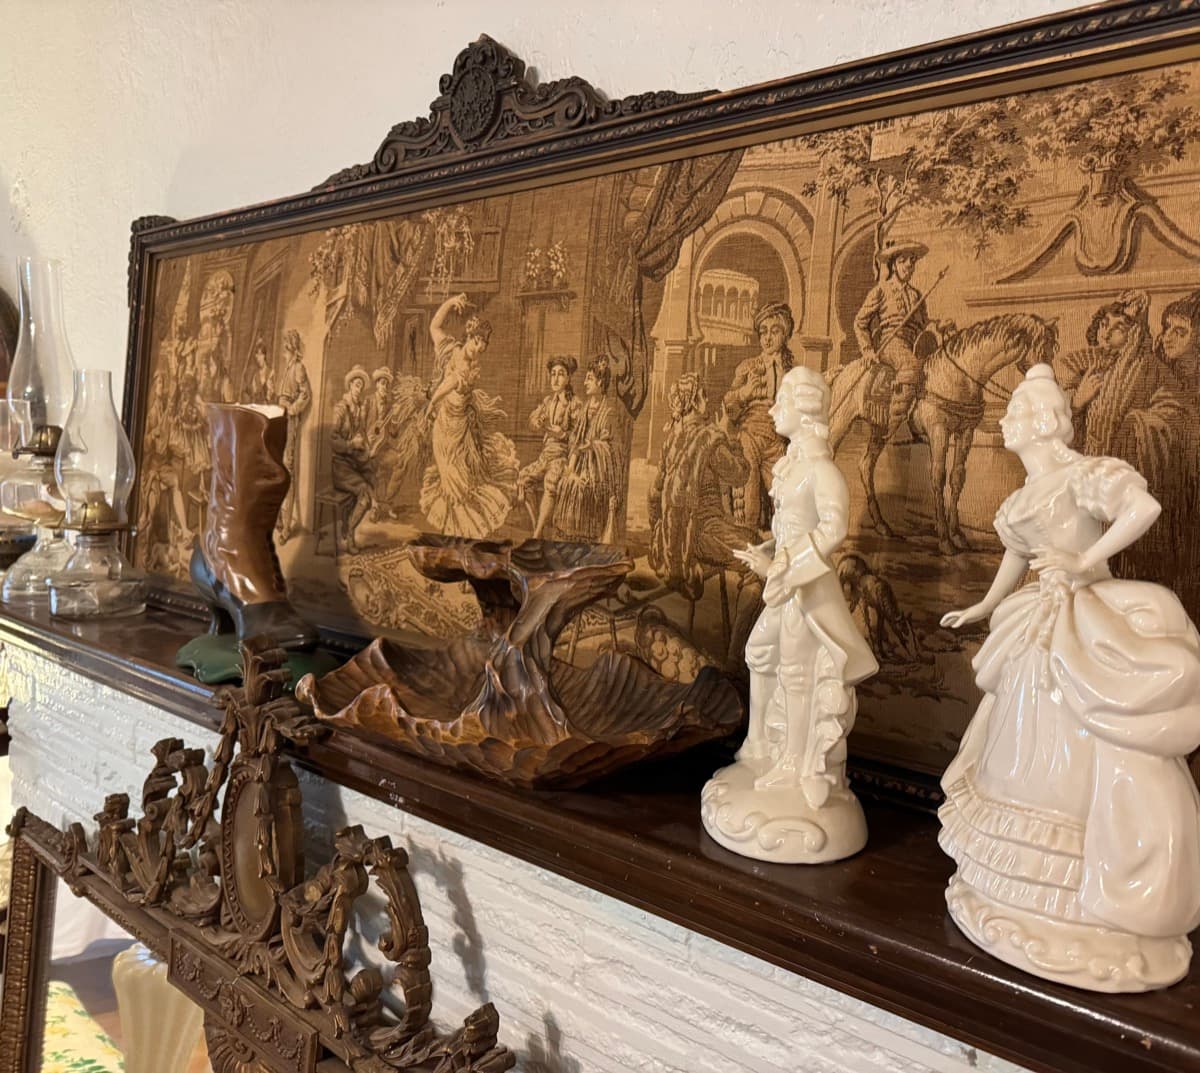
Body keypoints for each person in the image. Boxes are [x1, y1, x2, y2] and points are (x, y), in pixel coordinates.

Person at [939, 364, 1200, 990]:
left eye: (1012, 413)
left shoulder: (1084, 475)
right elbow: (1015, 558)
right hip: (1036, 618)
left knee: (1086, 739)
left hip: (1085, 616)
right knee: (1019, 746)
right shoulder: (1020, 499)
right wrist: (980, 607)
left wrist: (1085, 560)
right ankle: (1022, 886)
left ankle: (1093, 891)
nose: (1001, 421)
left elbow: (1144, 507)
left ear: (1040, 420)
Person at [733, 366, 878, 781]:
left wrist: (781, 567)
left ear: (806, 409)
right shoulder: (794, 467)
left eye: (783, 401)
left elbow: (833, 529)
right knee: (760, 651)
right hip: (787, 582)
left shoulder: (822, 472)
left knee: (796, 671)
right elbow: (791, 526)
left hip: (807, 588)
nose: (774, 409)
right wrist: (768, 549)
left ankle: (795, 760)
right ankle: (759, 743)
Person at [419, 293, 518, 538]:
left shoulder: (465, 364)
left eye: (483, 347)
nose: (479, 350)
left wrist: (432, 403)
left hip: (460, 428)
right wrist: (450, 302)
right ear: (469, 337)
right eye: (477, 343)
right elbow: (434, 326)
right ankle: (456, 536)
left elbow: (449, 382)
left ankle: (461, 535)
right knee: (452, 482)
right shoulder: (452, 351)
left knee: (464, 481)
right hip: (445, 428)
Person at [648, 372, 753, 601]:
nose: (707, 401)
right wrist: (732, 435)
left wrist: (660, 531)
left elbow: (654, 494)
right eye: (703, 396)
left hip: (666, 542)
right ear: (694, 401)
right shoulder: (710, 439)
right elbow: (740, 475)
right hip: (702, 536)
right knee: (761, 553)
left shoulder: (671, 440)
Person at [852, 239, 944, 438]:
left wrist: (939, 325)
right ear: (894, 264)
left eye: (912, 261)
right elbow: (860, 322)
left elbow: (924, 323)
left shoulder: (916, 295)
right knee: (911, 366)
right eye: (904, 261)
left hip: (914, 344)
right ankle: (895, 426)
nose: (909, 266)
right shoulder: (881, 290)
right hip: (891, 344)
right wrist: (867, 350)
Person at [723, 302, 796, 528]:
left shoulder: (793, 371)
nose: (767, 338)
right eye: (763, 332)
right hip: (751, 438)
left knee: (786, 500)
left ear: (785, 334)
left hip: (777, 442)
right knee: (748, 499)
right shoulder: (748, 367)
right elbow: (729, 405)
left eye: (774, 331)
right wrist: (745, 393)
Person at [553, 356, 620, 543]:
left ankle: (586, 538)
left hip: (599, 469)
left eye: (589, 378)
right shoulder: (584, 410)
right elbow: (575, 440)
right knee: (568, 483)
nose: (585, 383)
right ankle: (569, 537)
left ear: (600, 381)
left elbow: (610, 448)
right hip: (581, 462)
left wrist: (593, 446)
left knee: (585, 489)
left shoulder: (609, 412)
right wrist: (571, 468)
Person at [518, 356, 581, 536]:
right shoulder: (548, 402)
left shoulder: (575, 404)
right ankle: (537, 527)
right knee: (522, 479)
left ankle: (537, 533)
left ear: (569, 378)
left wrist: (561, 434)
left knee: (550, 483)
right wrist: (536, 422)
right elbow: (531, 421)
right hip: (544, 456)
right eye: (552, 374)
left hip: (561, 457)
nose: (555, 379)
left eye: (560, 374)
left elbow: (579, 438)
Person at [330, 366, 373, 554]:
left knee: (375, 472)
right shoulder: (340, 409)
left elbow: (361, 434)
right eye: (356, 386)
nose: (359, 390)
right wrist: (350, 445)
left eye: (361, 387)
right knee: (364, 492)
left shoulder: (358, 411)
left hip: (353, 463)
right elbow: (333, 440)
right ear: (350, 386)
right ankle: (349, 534)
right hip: (340, 466)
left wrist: (367, 447)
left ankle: (350, 526)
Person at [276, 330, 311, 543]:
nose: (283, 352)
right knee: (277, 469)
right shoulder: (288, 368)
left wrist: (292, 409)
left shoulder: (298, 368)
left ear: (291, 348)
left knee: (287, 470)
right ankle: (279, 517)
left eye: (286, 347)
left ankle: (287, 526)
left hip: (289, 421)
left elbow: (305, 394)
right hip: (279, 420)